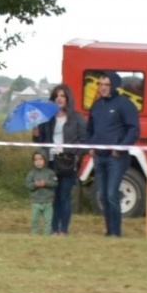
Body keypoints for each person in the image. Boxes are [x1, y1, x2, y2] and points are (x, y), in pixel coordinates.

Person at [85, 73, 140, 236]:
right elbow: (90, 129)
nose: (102, 87)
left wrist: (121, 147)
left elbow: (134, 129)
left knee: (111, 194)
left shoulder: (124, 104)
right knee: (102, 195)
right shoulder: (96, 105)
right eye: (100, 84)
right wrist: (90, 146)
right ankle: (109, 230)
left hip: (116, 158)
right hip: (99, 157)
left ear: (114, 86)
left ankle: (115, 232)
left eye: (106, 84)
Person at [33, 84, 87, 235]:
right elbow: (40, 142)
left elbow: (84, 141)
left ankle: (64, 229)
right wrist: (36, 133)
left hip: (68, 162)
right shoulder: (47, 119)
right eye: (57, 95)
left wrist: (76, 155)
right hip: (51, 161)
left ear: (67, 98)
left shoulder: (77, 118)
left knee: (64, 197)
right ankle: (53, 228)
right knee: (54, 197)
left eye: (62, 96)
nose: (59, 98)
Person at [26, 150, 56, 235]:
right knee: (34, 220)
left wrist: (46, 183)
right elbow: (28, 185)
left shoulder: (50, 173)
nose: (38, 162)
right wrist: (35, 184)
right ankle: (34, 234)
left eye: (41, 159)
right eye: (36, 160)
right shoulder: (31, 174)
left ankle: (47, 234)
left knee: (48, 220)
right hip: (36, 202)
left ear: (45, 160)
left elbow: (55, 183)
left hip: (48, 201)